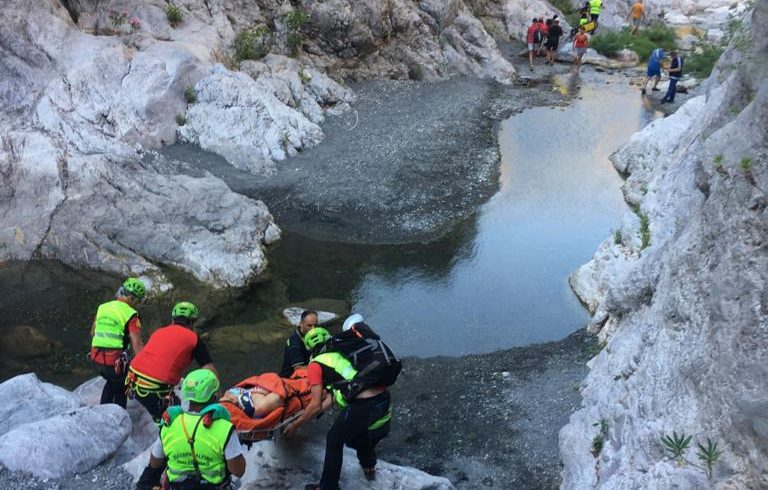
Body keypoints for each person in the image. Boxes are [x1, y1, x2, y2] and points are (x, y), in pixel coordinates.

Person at [285, 327, 392, 490]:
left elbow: (314, 405)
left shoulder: (315, 365)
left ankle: (328, 487)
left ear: (309, 349)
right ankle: (369, 466)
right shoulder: (343, 353)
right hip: (382, 399)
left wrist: (295, 425)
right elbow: (335, 395)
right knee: (359, 429)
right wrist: (316, 412)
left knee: (334, 439)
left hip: (364, 404)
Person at [135, 369, 246, 490]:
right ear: (214, 397)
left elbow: (154, 463)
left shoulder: (169, 425)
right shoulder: (225, 428)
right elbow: (238, 471)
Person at [128, 302, 218, 423]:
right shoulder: (194, 339)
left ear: (173, 320)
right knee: (179, 418)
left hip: (131, 380)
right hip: (155, 390)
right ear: (192, 323)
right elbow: (209, 372)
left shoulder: (159, 332)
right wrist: (220, 397)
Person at [89, 277, 146, 408]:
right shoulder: (131, 314)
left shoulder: (102, 307)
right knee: (121, 388)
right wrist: (144, 366)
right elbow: (137, 344)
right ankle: (118, 418)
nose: (137, 303)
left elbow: (92, 333)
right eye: (137, 300)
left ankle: (102, 413)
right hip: (114, 363)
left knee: (111, 382)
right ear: (131, 298)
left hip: (95, 358)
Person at [279, 309, 318, 377]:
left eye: (315, 325)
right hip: (290, 378)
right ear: (301, 324)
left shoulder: (315, 332)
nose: (313, 329)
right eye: (309, 325)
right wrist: (321, 367)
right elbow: (299, 368)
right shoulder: (295, 342)